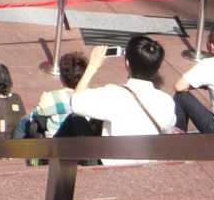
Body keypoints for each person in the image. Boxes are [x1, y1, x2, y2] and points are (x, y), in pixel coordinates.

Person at [59, 35, 177, 163]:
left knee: (76, 118)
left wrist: (92, 66)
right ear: (157, 67)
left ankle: (47, 158)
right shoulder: (167, 102)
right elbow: (167, 129)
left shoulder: (113, 95)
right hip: (147, 166)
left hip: (112, 167)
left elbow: (75, 102)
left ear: (127, 64)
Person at [16, 52, 87, 139]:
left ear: (62, 78)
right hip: (81, 140)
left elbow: (35, 115)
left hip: (54, 141)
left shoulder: (52, 97)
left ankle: (15, 146)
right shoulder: (92, 97)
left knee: (24, 121)